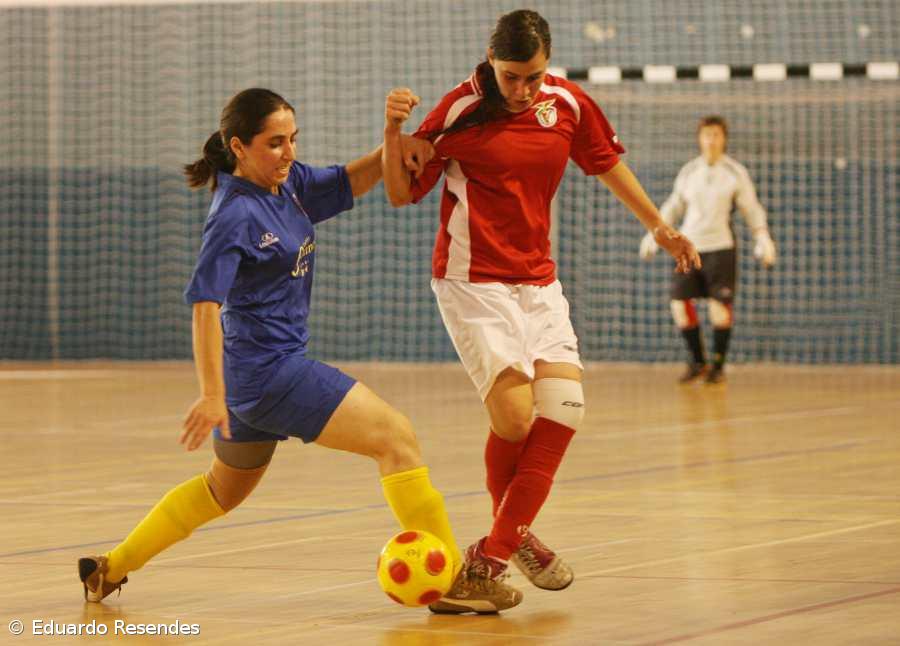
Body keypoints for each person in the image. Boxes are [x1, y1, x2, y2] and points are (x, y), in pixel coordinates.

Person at [77, 88, 522, 613]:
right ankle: (451, 579)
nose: (288, 152)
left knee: (222, 491)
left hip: (254, 381)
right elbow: (204, 305)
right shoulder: (234, 215)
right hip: (268, 374)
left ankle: (111, 568)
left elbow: (356, 178)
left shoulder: (288, 186)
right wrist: (211, 395)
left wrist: (393, 137)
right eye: (274, 143)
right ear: (238, 147)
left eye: (293, 140)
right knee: (396, 438)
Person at [381, 10, 700, 614]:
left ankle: (491, 557)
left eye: (533, 76)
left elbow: (604, 161)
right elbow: (401, 192)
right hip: (474, 283)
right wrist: (392, 130)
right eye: (510, 77)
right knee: (514, 420)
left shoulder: (567, 105)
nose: (522, 90)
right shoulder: (457, 111)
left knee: (566, 408)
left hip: (538, 283)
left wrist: (659, 225)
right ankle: (516, 536)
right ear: (489, 59)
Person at [639, 115, 776, 384]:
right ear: (699, 138)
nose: (711, 140)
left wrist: (763, 237)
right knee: (679, 305)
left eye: (716, 135)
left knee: (719, 309)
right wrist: (653, 232)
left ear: (723, 139)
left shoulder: (735, 173)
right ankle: (697, 362)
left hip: (720, 248)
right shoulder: (690, 171)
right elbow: (674, 205)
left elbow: (751, 207)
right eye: (707, 135)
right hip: (689, 247)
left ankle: (718, 366)